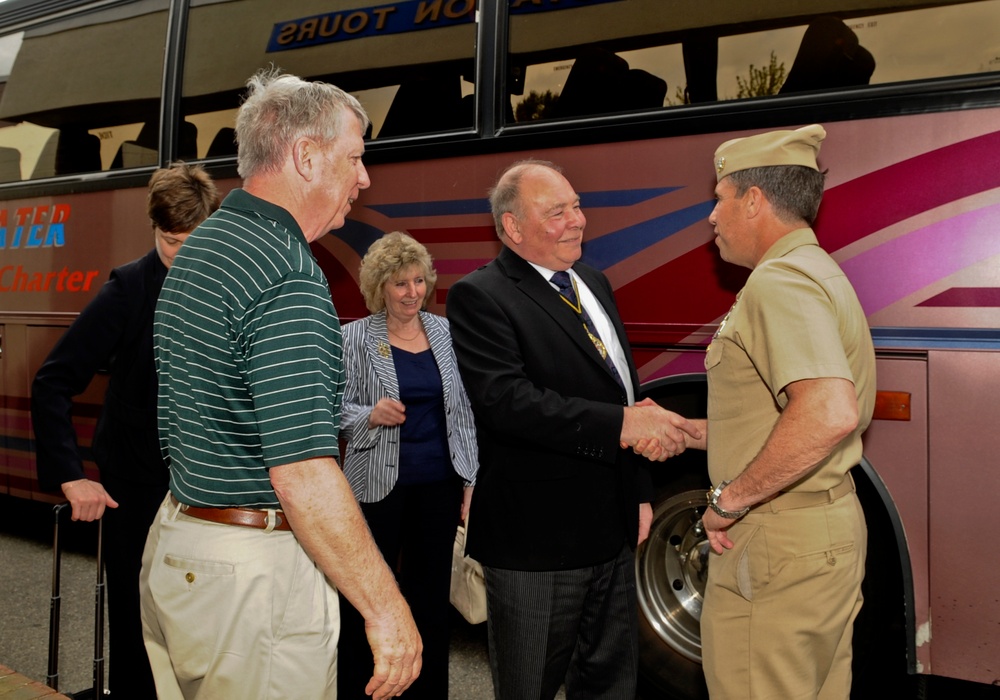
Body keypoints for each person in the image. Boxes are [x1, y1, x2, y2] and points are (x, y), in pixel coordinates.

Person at [139, 69, 421, 700]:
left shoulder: (205, 245)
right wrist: (386, 608)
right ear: (305, 156)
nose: (365, 178)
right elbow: (303, 473)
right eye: (356, 157)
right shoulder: (287, 274)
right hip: (248, 578)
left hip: (181, 546)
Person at [445, 159, 701, 699]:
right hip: (536, 545)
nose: (578, 220)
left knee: (611, 684)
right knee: (530, 685)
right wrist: (627, 423)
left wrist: (638, 494)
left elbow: (619, 388)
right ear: (513, 228)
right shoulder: (480, 296)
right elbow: (507, 403)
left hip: (611, 534)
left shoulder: (594, 282)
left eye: (577, 205)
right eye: (557, 211)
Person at [682, 124, 876, 698]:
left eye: (718, 199)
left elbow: (827, 412)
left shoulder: (778, 281)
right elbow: (787, 416)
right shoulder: (819, 270)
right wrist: (695, 433)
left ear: (754, 200)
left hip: (776, 544)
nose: (711, 218)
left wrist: (727, 502)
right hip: (824, 532)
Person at [31, 161, 219, 698]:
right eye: (170, 241)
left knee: (204, 636)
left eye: (193, 239)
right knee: (140, 636)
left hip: (201, 489)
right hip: (136, 488)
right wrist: (71, 476)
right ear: (154, 229)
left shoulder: (226, 285)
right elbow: (52, 381)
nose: (181, 253)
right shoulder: (128, 288)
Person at [337, 231, 478, 699]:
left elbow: (464, 411)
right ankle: (366, 687)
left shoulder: (445, 333)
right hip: (376, 488)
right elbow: (329, 406)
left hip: (438, 486)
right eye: (400, 283)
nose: (412, 292)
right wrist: (369, 414)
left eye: (419, 281)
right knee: (369, 598)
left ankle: (427, 691)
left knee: (430, 601)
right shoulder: (353, 338)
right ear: (380, 288)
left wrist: (471, 479)